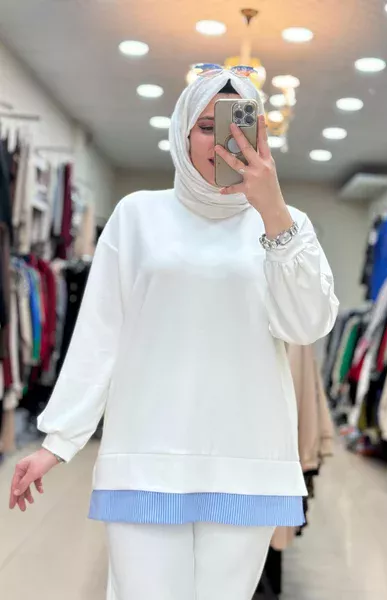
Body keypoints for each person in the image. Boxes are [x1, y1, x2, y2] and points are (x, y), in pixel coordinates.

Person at [9, 66, 339, 600]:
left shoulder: (286, 222)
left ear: (261, 135)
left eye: (239, 126)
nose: (223, 141)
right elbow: (100, 333)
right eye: (207, 126)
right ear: (182, 133)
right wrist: (60, 439)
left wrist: (274, 214)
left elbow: (307, 324)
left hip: (248, 460)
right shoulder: (137, 215)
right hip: (145, 455)